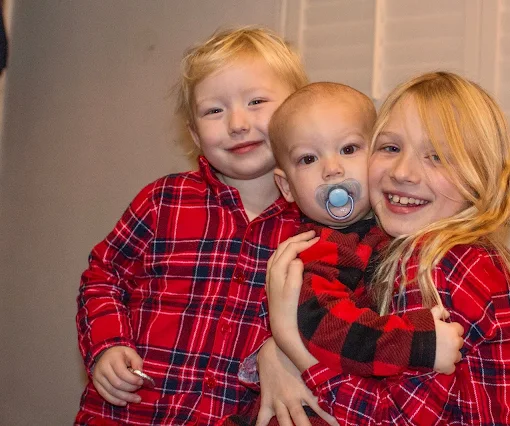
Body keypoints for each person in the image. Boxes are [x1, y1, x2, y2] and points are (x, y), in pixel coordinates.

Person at [265, 72, 510, 425]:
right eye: (391, 148)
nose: (403, 172)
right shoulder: (433, 252)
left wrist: (292, 344)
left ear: (482, 179)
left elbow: (392, 419)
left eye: (438, 157)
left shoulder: (436, 266)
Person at [74, 26, 332, 426]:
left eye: (257, 101)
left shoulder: (318, 228)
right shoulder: (163, 201)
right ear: (193, 133)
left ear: (297, 113)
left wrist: (283, 353)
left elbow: (335, 321)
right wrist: (107, 345)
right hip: (130, 414)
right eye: (214, 110)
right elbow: (103, 275)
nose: (237, 123)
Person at [222, 82, 464, 426]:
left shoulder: (385, 231)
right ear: (287, 186)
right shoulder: (319, 247)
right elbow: (326, 326)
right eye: (308, 158)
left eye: (349, 149)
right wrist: (419, 343)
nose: (332, 169)